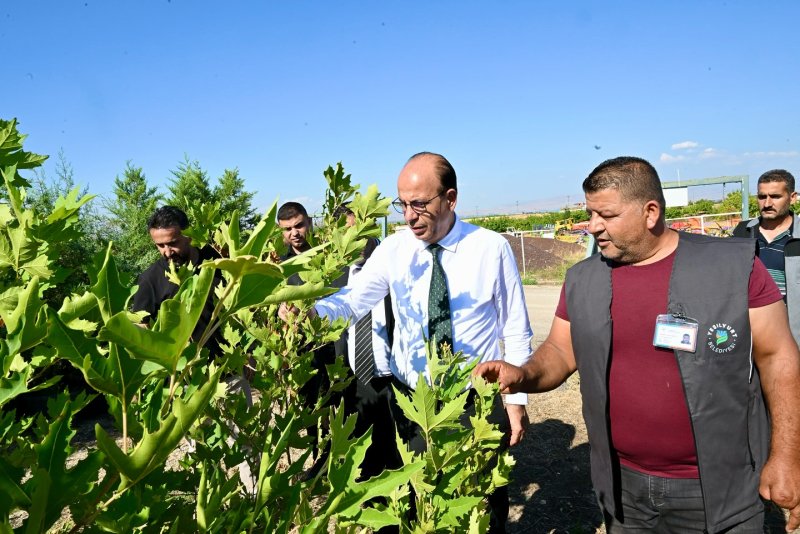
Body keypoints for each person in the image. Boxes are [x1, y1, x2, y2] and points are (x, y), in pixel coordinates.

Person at [475, 156, 800, 533]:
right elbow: (562, 352)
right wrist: (523, 373)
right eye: (590, 213)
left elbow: (779, 358)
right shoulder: (583, 279)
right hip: (623, 491)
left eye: (606, 215)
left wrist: (788, 457)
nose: (592, 226)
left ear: (650, 212)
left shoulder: (731, 265)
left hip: (720, 486)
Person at [287, 152, 533, 532]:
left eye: (419, 204)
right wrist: (314, 312)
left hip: (475, 401)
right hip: (414, 403)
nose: (409, 216)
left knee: (481, 502)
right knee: (420, 499)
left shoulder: (490, 248)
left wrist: (515, 401)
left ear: (450, 199)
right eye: (402, 204)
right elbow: (354, 300)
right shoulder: (393, 250)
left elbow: (515, 328)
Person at [331, 203, 400, 478]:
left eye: (361, 232)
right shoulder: (335, 277)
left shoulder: (398, 263)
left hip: (398, 377)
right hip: (356, 381)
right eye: (347, 236)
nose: (356, 242)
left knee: (402, 451)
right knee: (365, 457)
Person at [132, 205, 223, 354]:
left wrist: (249, 352)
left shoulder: (217, 260)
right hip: (182, 373)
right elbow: (142, 328)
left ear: (189, 235)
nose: (167, 252)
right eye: (160, 246)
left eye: (173, 243)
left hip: (229, 365)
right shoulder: (149, 280)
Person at [733, 169, 800, 345]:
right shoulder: (742, 233)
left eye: (775, 196)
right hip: (751, 336)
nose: (767, 203)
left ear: (792, 197)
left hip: (792, 337)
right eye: (762, 197)